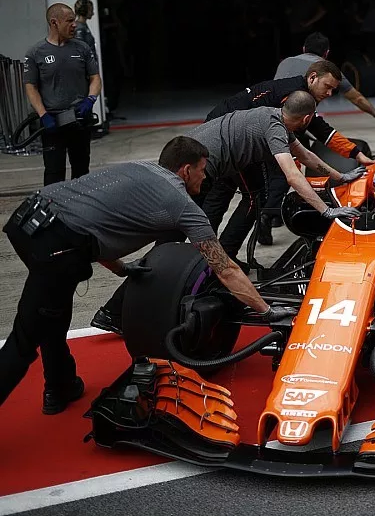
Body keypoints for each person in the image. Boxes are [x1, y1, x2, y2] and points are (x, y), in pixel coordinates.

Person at [0, 136, 298, 414]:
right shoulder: (181, 203)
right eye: (202, 171)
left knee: (52, 307)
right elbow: (226, 268)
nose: (205, 178)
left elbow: (95, 220)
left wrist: (121, 268)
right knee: (24, 339)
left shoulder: (139, 169)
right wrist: (267, 311)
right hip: (56, 247)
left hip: (28, 221)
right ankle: (55, 385)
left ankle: (60, 386)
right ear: (185, 170)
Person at [91, 91, 364, 335]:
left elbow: (305, 157)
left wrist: (341, 177)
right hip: (191, 171)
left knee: (251, 198)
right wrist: (327, 210)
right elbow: (293, 174)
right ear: (307, 119)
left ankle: (223, 261)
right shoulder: (274, 128)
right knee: (167, 243)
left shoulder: (274, 118)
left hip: (204, 163)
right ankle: (113, 311)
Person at [206, 60, 373, 247]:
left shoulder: (289, 105)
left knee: (224, 193)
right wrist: (326, 211)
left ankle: (208, 257)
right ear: (312, 78)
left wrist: (343, 173)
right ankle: (224, 255)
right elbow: (294, 173)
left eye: (333, 89)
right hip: (223, 139)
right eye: (327, 87)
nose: (329, 93)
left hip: (220, 131)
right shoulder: (291, 102)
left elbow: (306, 153)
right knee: (253, 196)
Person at [23, 3, 102, 186]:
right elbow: (31, 87)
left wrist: (90, 99)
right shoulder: (36, 53)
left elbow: (95, 78)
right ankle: (53, 209)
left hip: (79, 119)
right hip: (52, 123)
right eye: (69, 21)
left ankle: (80, 209)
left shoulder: (82, 48)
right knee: (54, 172)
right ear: (54, 23)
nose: (74, 25)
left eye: (74, 20)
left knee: (81, 171)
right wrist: (43, 115)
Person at [274, 32, 375, 118]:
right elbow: (357, 98)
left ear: (303, 49)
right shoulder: (326, 69)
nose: (329, 93)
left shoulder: (285, 62)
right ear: (326, 53)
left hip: (271, 114)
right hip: (295, 118)